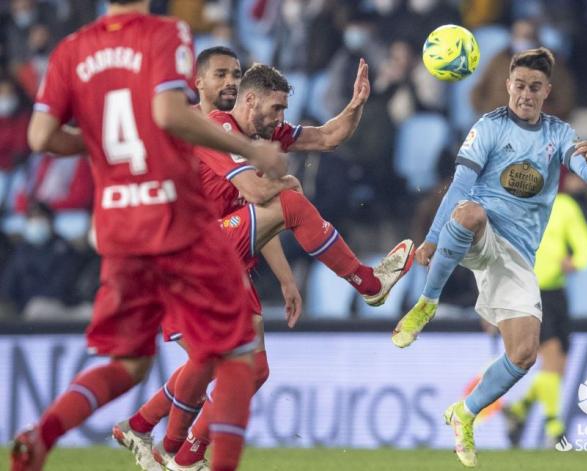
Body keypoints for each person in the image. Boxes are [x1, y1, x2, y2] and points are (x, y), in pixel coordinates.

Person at [9, 1, 286, 471]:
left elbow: (39, 137)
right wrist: (245, 146)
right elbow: (166, 112)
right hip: (174, 219)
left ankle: (43, 433)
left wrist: (94, 140)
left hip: (117, 229)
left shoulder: (71, 49)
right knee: (241, 347)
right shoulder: (165, 33)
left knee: (129, 365)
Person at [116, 52, 414, 471]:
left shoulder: (264, 134)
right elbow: (260, 197)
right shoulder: (216, 129)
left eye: (235, 74)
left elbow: (328, 137)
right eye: (275, 108)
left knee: (252, 370)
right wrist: (287, 184)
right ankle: (368, 284)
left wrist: (357, 104)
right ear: (251, 102)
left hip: (227, 259)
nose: (280, 117)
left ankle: (166, 444)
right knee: (215, 360)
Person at [391, 47, 587, 467]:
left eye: (535, 87)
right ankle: (426, 304)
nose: (526, 93)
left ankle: (464, 413)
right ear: (508, 85)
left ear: (547, 91)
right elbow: (458, 188)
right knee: (470, 211)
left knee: (524, 354)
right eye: (520, 85)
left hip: (517, 257)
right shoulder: (488, 127)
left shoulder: (559, 133)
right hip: (481, 233)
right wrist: (432, 239)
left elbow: (585, 173)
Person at [502, 191, 587, 447]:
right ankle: (554, 430)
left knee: (558, 366)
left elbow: (586, 245)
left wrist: (576, 261)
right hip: (528, 291)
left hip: (556, 293)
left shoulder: (564, 205)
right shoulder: (516, 205)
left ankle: (519, 410)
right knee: (552, 354)